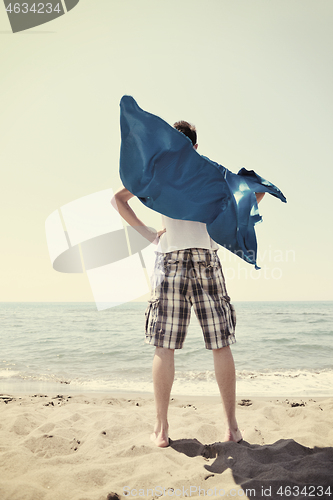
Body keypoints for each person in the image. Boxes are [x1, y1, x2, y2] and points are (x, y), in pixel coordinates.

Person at [112, 121, 264, 448]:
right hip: (206, 258)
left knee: (164, 346)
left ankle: (162, 429)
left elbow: (118, 200)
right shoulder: (211, 172)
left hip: (170, 259)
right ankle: (232, 429)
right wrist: (234, 220)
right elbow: (254, 194)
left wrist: (150, 234)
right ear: (196, 146)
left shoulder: (157, 173)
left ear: (170, 142)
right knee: (220, 343)